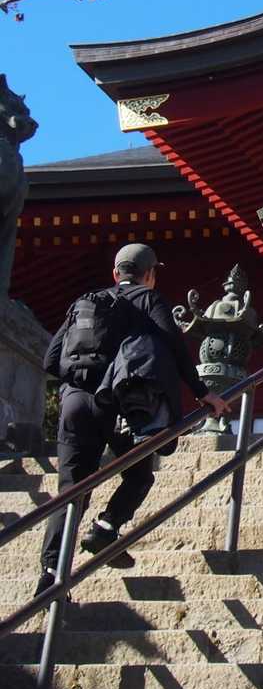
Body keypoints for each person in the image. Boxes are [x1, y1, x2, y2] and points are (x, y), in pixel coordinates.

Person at [37, 244, 229, 595]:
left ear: (115, 273)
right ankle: (106, 528)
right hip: (119, 403)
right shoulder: (148, 300)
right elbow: (174, 345)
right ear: (150, 274)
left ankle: (50, 576)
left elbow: (51, 360)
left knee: (72, 491)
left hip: (75, 404)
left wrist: (78, 382)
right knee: (139, 473)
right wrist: (203, 392)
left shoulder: (85, 302)